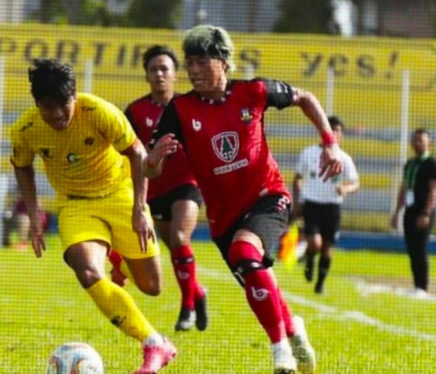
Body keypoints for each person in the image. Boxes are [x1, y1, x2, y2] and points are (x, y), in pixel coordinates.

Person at [145, 24, 343, 374]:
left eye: (201, 62)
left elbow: (306, 98)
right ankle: (294, 330)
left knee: (246, 255)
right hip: (223, 217)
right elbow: (150, 171)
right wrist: (154, 160)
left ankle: (280, 352)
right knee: (255, 275)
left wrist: (330, 143)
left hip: (267, 197)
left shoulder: (254, 91)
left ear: (223, 61)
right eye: (189, 63)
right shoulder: (180, 108)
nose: (192, 71)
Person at [10, 58, 176, 374]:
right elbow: (21, 165)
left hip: (120, 195)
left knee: (152, 286)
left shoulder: (99, 112)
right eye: (48, 107)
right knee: (87, 271)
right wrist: (34, 214)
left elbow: (137, 153)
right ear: (37, 104)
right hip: (76, 206)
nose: (57, 114)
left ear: (74, 96)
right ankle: (154, 342)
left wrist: (140, 207)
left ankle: (118, 258)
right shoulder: (25, 129)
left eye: (63, 105)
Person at [119, 44, 208, 332]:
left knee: (181, 236)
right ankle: (198, 292)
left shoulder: (192, 106)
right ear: (146, 76)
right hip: (153, 189)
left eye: (164, 68)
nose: (159, 74)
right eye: (153, 69)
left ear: (175, 75)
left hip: (187, 185)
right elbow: (127, 151)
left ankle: (187, 308)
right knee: (174, 247)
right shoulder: (135, 111)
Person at [293, 115, 360, 294]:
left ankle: (320, 284)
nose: (334, 134)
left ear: (342, 135)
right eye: (331, 130)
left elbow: (355, 182)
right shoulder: (309, 153)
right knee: (315, 243)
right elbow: (298, 178)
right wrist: (298, 200)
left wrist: (346, 189)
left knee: (328, 247)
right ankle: (309, 259)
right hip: (312, 204)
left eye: (338, 131)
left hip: (332, 207)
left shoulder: (344, 158)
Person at [391, 128, 436, 297]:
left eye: (421, 140)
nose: (418, 143)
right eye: (415, 140)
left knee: (420, 248)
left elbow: (435, 190)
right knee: (411, 248)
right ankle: (416, 285)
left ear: (429, 143)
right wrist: (397, 212)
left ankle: (423, 287)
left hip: (423, 211)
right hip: (410, 210)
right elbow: (405, 187)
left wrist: (426, 213)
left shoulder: (432, 165)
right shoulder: (410, 163)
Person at [2, 186, 49, 250]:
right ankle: (5, 240)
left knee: (24, 219)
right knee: (6, 219)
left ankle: (23, 243)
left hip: (33, 224)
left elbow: (42, 217)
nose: (20, 194)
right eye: (20, 192)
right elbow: (11, 211)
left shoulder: (35, 202)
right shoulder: (17, 201)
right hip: (18, 222)